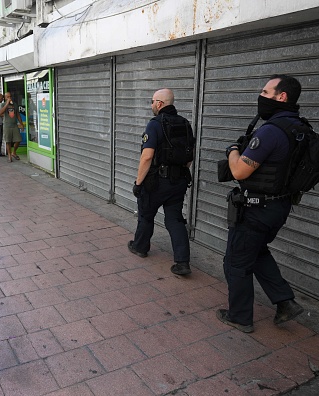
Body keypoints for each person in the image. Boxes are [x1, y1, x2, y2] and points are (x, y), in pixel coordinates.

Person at [216, 74, 305, 333]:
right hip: (279, 207)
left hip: (257, 209)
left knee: (236, 262)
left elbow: (240, 172)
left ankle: (240, 316)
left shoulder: (271, 131)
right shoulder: (300, 129)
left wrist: (233, 150)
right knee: (256, 251)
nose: (261, 97)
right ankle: (285, 302)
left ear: (282, 97)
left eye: (266, 92)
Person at [128, 88, 194, 276]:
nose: (151, 105)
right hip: (179, 180)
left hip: (156, 182)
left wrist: (138, 183)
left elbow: (147, 157)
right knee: (174, 219)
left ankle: (140, 247)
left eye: (152, 101)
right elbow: (189, 155)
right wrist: (179, 173)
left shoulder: (155, 124)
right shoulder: (185, 124)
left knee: (146, 214)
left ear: (159, 104)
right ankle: (182, 262)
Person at [2, 92, 24, 163]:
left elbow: (17, 114)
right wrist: (7, 104)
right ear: (5, 98)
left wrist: (21, 124)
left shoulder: (14, 104)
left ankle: (14, 152)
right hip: (7, 125)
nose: (9, 98)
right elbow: (1, 112)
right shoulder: (3, 104)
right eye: (8, 97)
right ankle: (9, 156)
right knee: (8, 141)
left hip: (14, 125)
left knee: (18, 139)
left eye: (10, 96)